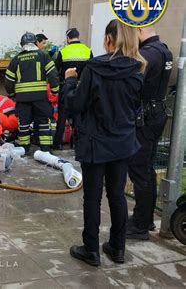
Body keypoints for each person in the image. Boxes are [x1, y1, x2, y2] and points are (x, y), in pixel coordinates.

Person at [67, 19, 146, 267]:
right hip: (122, 143)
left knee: (92, 197)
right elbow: (134, 107)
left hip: (95, 142)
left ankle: (91, 249)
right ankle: (117, 247)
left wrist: (70, 81)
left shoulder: (94, 68)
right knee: (117, 195)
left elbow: (76, 105)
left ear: (108, 39)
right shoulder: (138, 69)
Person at [127, 26, 173, 240]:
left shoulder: (146, 55)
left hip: (145, 119)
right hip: (157, 114)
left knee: (140, 169)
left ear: (139, 30)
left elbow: (133, 86)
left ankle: (140, 225)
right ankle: (144, 219)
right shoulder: (164, 50)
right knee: (148, 168)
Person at [5, 32, 59, 154]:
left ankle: (24, 149)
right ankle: (45, 150)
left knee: (23, 123)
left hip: (22, 99)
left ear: (22, 45)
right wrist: (55, 90)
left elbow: (8, 81)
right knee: (44, 121)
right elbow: (53, 74)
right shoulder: (43, 56)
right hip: (40, 97)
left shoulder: (16, 59)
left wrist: (12, 94)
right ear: (35, 42)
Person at [53, 28, 92, 150]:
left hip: (66, 87)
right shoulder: (87, 50)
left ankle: (57, 143)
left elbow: (55, 70)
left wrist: (61, 82)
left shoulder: (63, 51)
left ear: (68, 38)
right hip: (82, 88)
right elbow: (92, 69)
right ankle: (78, 143)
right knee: (79, 116)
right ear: (78, 36)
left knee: (62, 116)